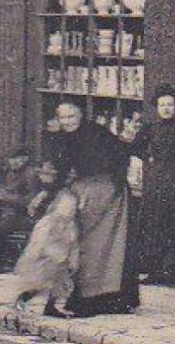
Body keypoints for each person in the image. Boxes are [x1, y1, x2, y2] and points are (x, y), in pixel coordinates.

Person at [48, 99, 140, 315]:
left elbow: (119, 156)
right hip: (84, 195)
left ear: (80, 116)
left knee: (104, 247)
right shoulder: (61, 138)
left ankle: (105, 299)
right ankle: (80, 296)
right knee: (79, 245)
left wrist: (109, 186)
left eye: (72, 116)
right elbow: (62, 169)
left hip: (108, 194)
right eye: (63, 117)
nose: (68, 121)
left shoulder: (96, 133)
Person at [127, 85, 175, 290]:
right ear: (156, 107)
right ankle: (155, 271)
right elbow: (135, 147)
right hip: (156, 181)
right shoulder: (150, 128)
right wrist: (150, 160)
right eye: (162, 105)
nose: (166, 109)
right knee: (154, 224)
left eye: (170, 104)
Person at [13, 169, 80, 318]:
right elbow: (62, 215)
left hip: (58, 232)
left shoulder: (60, 194)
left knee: (58, 272)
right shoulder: (63, 196)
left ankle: (51, 304)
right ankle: (26, 299)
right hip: (53, 233)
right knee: (47, 270)